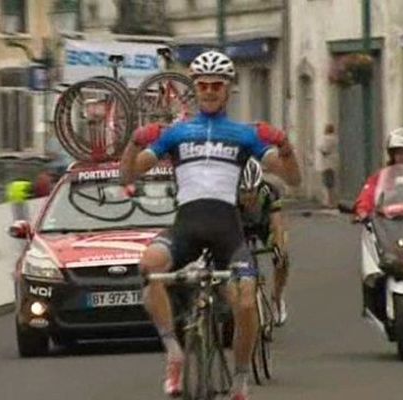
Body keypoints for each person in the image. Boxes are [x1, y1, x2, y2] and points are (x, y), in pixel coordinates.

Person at [120, 50, 301, 400]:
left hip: (227, 233)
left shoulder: (244, 135)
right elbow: (128, 174)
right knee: (149, 266)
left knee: (246, 303)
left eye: (217, 85)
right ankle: (173, 351)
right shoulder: (176, 134)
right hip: (185, 227)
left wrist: (285, 145)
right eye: (202, 85)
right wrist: (133, 142)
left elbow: (292, 178)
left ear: (228, 89)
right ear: (195, 89)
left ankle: (240, 377)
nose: (209, 91)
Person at [238, 158, 290, 326]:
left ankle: (277, 297)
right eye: (243, 191)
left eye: (251, 191)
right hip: (240, 227)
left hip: (263, 225)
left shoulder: (269, 191)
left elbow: (277, 224)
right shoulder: (230, 195)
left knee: (282, 256)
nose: (247, 196)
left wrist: (279, 247)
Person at [355, 128, 403, 220]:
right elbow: (368, 194)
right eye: (399, 153)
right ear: (392, 155)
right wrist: (363, 210)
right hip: (386, 225)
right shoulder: (383, 176)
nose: (402, 156)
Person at [318, 123, 338, 208]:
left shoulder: (326, 139)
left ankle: (328, 202)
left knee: (326, 184)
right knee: (332, 184)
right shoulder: (336, 139)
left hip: (326, 164)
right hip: (333, 163)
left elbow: (324, 149)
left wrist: (320, 149)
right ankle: (332, 201)